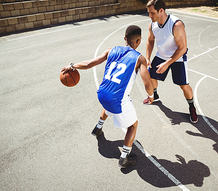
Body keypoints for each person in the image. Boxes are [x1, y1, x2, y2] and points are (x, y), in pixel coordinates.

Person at [61, 25, 154, 168]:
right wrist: (151, 95)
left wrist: (72, 65)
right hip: (117, 99)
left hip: (102, 93)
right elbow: (147, 83)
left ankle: (98, 127)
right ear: (139, 41)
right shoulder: (139, 59)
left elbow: (88, 64)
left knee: (109, 104)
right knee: (133, 125)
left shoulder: (110, 51)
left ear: (124, 38)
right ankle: (124, 157)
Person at [143, 0, 198, 123]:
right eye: (149, 13)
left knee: (183, 85)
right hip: (161, 55)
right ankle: (155, 95)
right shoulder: (153, 24)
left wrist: (167, 63)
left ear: (161, 10)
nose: (150, 16)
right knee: (151, 77)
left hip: (177, 57)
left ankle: (192, 107)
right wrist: (148, 58)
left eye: (152, 13)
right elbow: (150, 41)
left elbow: (182, 48)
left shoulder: (176, 25)